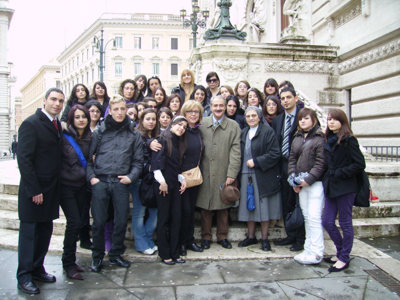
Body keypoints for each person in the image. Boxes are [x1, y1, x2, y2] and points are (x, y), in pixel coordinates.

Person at [16, 88, 65, 295]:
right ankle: (24, 276)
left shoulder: (56, 125)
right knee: (30, 235)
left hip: (51, 190)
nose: (57, 104)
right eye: (53, 99)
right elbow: (24, 160)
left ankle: (37, 268)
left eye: (61, 101)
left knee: (45, 231)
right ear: (44, 100)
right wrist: (34, 189)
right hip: (34, 190)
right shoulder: (30, 123)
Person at [86, 95, 143, 272]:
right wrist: (92, 178)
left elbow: (138, 162)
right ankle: (97, 257)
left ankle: (116, 254)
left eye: (122, 109)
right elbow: (89, 160)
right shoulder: (100, 131)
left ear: (126, 110)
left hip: (120, 182)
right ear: (110, 111)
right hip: (101, 181)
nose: (119, 113)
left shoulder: (134, 133)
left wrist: (131, 177)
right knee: (99, 222)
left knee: (120, 221)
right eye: (115, 109)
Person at [322, 108, 365, 272]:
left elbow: (360, 164)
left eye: (334, 119)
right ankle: (340, 251)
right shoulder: (330, 139)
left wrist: (339, 173)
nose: (331, 122)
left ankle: (344, 257)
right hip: (332, 186)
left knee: (345, 222)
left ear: (342, 121)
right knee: (326, 221)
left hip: (346, 186)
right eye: (329, 119)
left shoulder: (349, 140)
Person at [197, 95, 241, 250]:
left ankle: (223, 236)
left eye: (221, 106)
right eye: (215, 105)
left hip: (223, 171)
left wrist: (231, 173)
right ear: (211, 106)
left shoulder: (233, 126)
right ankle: (206, 237)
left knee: (223, 206)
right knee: (205, 207)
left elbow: (236, 152)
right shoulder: (202, 123)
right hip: (205, 171)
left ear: (225, 107)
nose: (218, 108)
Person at [238, 106, 281, 251]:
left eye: (253, 116)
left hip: (262, 174)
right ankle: (251, 237)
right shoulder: (243, 132)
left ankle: (264, 238)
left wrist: (256, 161)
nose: (251, 118)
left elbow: (275, 153)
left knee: (263, 208)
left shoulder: (267, 131)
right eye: (248, 116)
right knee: (249, 206)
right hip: (245, 174)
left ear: (259, 116)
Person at [288, 108, 326, 265]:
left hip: (315, 183)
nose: (302, 121)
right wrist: (293, 179)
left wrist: (308, 180)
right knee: (306, 217)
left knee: (314, 217)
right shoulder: (297, 138)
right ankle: (308, 248)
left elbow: (321, 163)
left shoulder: (320, 139)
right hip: (300, 184)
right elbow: (291, 159)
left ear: (314, 120)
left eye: (306, 118)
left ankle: (317, 252)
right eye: (300, 119)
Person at [60, 105, 92, 280]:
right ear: (71, 119)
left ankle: (71, 261)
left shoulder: (90, 137)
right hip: (65, 186)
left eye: (84, 116)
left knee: (79, 222)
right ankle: (68, 264)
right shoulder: (63, 137)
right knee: (73, 222)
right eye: (77, 117)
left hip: (82, 186)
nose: (81, 119)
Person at [272, 86, 305, 252]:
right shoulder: (278, 120)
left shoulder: (304, 117)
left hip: (300, 167)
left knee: (300, 203)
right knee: (287, 202)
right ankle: (290, 235)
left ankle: (301, 239)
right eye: (282, 98)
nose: (285, 101)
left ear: (296, 98)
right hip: (282, 166)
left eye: (288, 97)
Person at [151, 115, 188, 265]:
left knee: (176, 218)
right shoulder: (162, 139)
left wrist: (182, 179)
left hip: (174, 184)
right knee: (164, 219)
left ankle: (175, 252)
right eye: (179, 124)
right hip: (163, 185)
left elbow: (175, 166)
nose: (181, 128)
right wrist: (162, 182)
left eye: (184, 127)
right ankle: (164, 253)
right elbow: (156, 164)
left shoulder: (178, 142)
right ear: (172, 124)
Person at [131, 108, 159, 255]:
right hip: (139, 179)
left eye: (153, 119)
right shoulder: (137, 135)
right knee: (140, 212)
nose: (151, 122)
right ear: (142, 120)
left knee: (154, 211)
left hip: (153, 180)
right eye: (148, 119)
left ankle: (148, 239)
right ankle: (141, 243)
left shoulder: (156, 135)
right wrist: (148, 143)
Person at [179, 100, 205, 256]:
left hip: (195, 177)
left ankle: (190, 240)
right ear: (184, 114)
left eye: (196, 112)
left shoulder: (198, 131)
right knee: (183, 211)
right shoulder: (181, 130)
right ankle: (181, 242)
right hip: (181, 178)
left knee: (190, 211)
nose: (193, 114)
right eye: (190, 112)